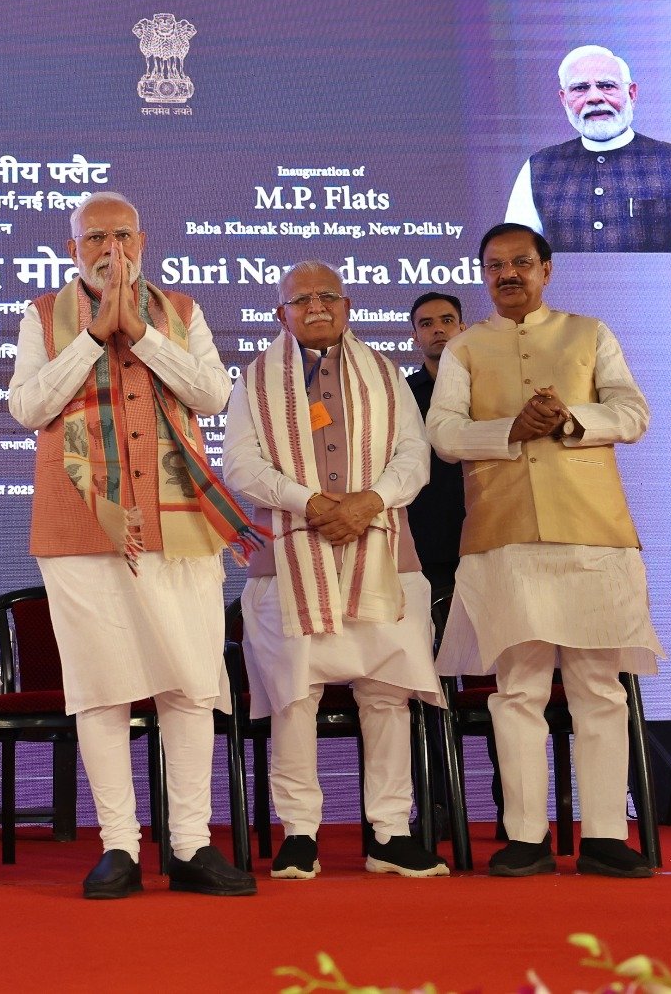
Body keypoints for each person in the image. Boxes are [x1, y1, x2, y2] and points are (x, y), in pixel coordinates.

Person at [9, 191, 257, 899]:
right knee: (101, 689)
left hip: (180, 525)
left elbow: (212, 396)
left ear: (142, 242)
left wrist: (141, 335)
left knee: (190, 683)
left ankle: (190, 845)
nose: (109, 249)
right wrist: (94, 336)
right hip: (80, 526)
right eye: (94, 238)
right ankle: (118, 846)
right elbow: (27, 406)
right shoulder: (42, 316)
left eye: (121, 235)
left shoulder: (181, 310)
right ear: (72, 249)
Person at [427, 222, 663, 878]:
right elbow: (442, 433)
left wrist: (570, 419)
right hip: (505, 536)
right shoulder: (466, 347)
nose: (508, 274)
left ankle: (605, 835)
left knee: (598, 689)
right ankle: (526, 837)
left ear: (546, 269)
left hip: (593, 535)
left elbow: (634, 413)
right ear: (484, 275)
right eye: (495, 265)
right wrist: (511, 428)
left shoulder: (590, 333)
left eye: (521, 263)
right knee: (518, 689)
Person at [222, 261, 448, 881]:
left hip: (384, 551)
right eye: (301, 299)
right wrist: (312, 505)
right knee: (294, 696)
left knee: (387, 693)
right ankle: (299, 833)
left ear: (347, 306)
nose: (316, 306)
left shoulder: (385, 376)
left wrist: (369, 502)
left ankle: (390, 832)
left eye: (327, 296)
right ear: (281, 314)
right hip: (289, 558)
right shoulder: (253, 380)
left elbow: (414, 455)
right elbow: (239, 465)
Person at [505, 45, 671, 252]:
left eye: (606, 86)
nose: (594, 98)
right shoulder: (539, 166)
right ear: (564, 99)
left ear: (631, 94)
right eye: (580, 88)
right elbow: (517, 255)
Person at [404, 292, 467, 599]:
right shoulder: (403, 394)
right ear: (415, 337)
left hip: (491, 529)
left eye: (447, 320)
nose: (438, 329)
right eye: (426, 324)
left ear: (463, 329)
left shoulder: (489, 386)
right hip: (428, 536)